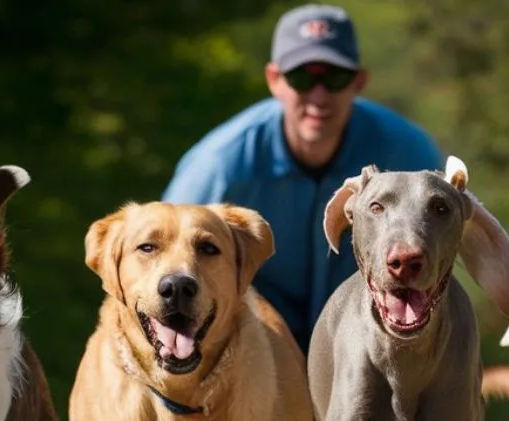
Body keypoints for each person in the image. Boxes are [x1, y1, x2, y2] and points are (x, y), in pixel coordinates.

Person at [162, 3, 443, 354]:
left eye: (335, 77)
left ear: (359, 81)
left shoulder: (408, 155)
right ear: (274, 80)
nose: (319, 95)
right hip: (250, 345)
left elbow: (443, 255)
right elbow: (166, 262)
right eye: (303, 78)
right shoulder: (221, 165)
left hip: (372, 339)